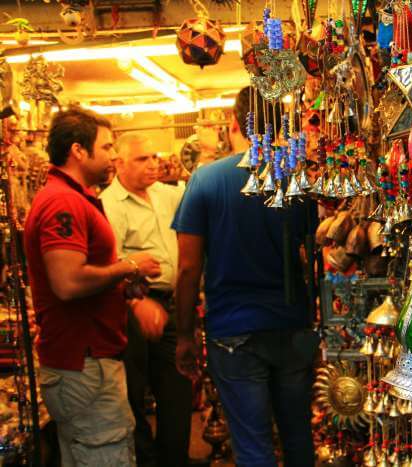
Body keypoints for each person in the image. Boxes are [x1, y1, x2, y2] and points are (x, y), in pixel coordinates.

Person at [172, 87, 319, 467]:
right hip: (292, 324)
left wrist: (184, 335)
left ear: (235, 124)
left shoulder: (206, 181)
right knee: (298, 439)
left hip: (233, 332)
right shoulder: (297, 181)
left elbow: (188, 268)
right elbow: (309, 255)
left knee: (254, 448)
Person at [24, 107, 161, 466]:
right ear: (78, 150)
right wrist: (128, 266)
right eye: (106, 147)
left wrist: (125, 289)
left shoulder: (74, 197)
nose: (114, 155)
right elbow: (68, 282)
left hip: (87, 360)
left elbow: (86, 274)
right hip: (83, 363)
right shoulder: (62, 202)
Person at [100, 133, 192, 467]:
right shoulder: (109, 205)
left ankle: (174, 459)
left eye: (154, 157)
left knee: (177, 391)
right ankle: (146, 460)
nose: (153, 164)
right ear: (119, 163)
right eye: (142, 159)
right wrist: (136, 300)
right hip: (132, 306)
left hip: (171, 301)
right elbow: (109, 262)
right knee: (133, 393)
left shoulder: (167, 194)